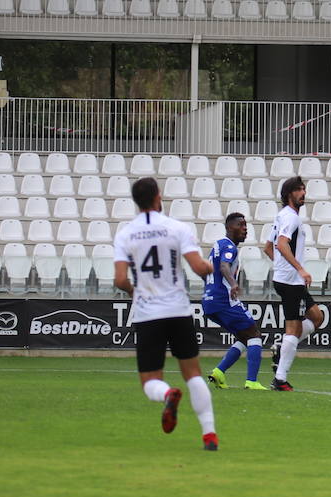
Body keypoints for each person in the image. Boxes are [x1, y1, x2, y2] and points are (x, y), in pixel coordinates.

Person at [112, 177, 219, 451]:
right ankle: (209, 435)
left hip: (148, 314)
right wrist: (209, 267)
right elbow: (197, 267)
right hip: (178, 310)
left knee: (150, 382)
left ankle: (168, 393)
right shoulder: (176, 228)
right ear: (158, 197)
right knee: (193, 373)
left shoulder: (125, 234)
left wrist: (136, 291)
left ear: (136, 202)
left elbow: (120, 279)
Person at [269, 176, 323, 392]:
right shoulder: (291, 218)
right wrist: (298, 268)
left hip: (289, 280)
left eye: (304, 189)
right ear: (289, 193)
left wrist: (283, 267)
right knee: (294, 327)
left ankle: (283, 347)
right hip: (291, 281)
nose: (303, 193)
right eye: (299, 189)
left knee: (317, 317)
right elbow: (281, 245)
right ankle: (280, 379)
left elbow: (268, 246)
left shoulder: (281, 216)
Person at [203, 212, 268, 391]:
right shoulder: (230, 247)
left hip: (209, 301)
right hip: (224, 300)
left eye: (246, 225)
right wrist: (233, 284)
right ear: (229, 227)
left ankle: (219, 372)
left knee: (243, 335)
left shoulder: (217, 245)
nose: (245, 228)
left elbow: (213, 269)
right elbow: (224, 266)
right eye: (240, 225)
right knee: (254, 334)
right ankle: (252, 381)